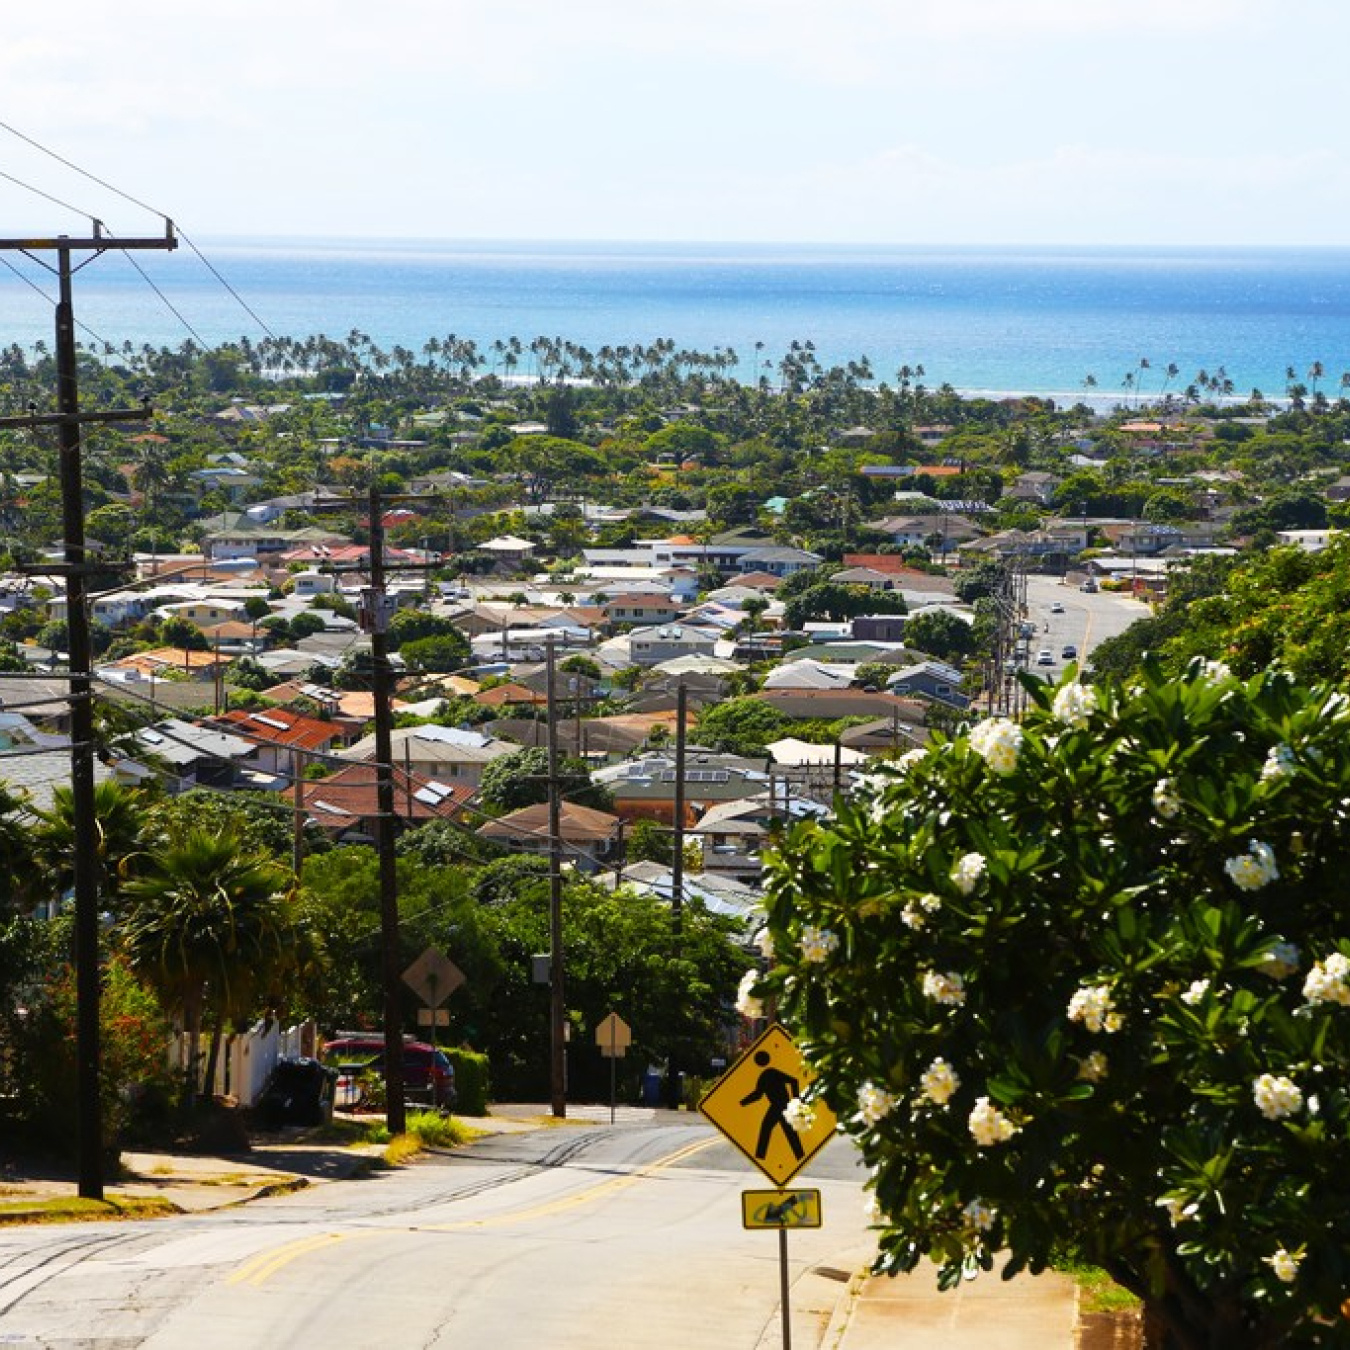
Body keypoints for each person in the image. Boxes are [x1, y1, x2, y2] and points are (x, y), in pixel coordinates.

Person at [739, 1050, 804, 1161]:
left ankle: (761, 1156)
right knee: (781, 1131)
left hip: (782, 1106)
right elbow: (758, 1095)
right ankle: (798, 1156)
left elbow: (794, 1081)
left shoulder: (771, 1073)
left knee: (770, 1129)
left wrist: (796, 1102)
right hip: (778, 1106)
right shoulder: (765, 1075)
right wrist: (742, 1103)